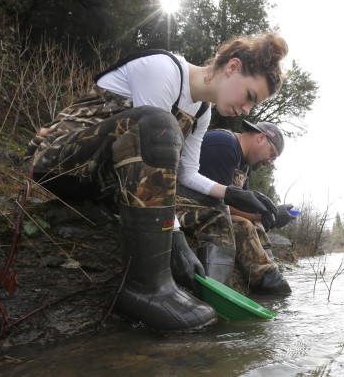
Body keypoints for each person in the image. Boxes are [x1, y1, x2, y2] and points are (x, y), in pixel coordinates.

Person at [25, 33, 288, 332]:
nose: (247, 110)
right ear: (232, 67)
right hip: (58, 162)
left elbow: (186, 174)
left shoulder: (202, 112)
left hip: (117, 180)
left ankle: (212, 297)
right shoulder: (164, 70)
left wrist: (232, 195)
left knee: (216, 209)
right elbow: (150, 148)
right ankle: (145, 288)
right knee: (158, 125)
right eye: (251, 97)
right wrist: (175, 240)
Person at [175, 120, 296, 294]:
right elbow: (218, 204)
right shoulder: (224, 144)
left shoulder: (244, 165)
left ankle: (271, 276)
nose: (270, 161)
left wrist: (270, 214)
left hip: (207, 209)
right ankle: (225, 290)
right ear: (261, 138)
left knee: (257, 226)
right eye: (272, 154)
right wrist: (262, 216)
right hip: (180, 207)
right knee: (242, 225)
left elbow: (240, 205)